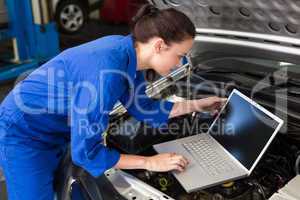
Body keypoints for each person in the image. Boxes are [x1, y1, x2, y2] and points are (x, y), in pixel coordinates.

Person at [0, 4, 226, 200]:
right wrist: (150, 163)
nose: (181, 64)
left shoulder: (128, 55)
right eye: (180, 56)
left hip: (57, 127)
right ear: (159, 45)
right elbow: (87, 153)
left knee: (63, 190)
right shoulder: (106, 73)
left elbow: (145, 108)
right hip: (24, 134)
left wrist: (199, 104)